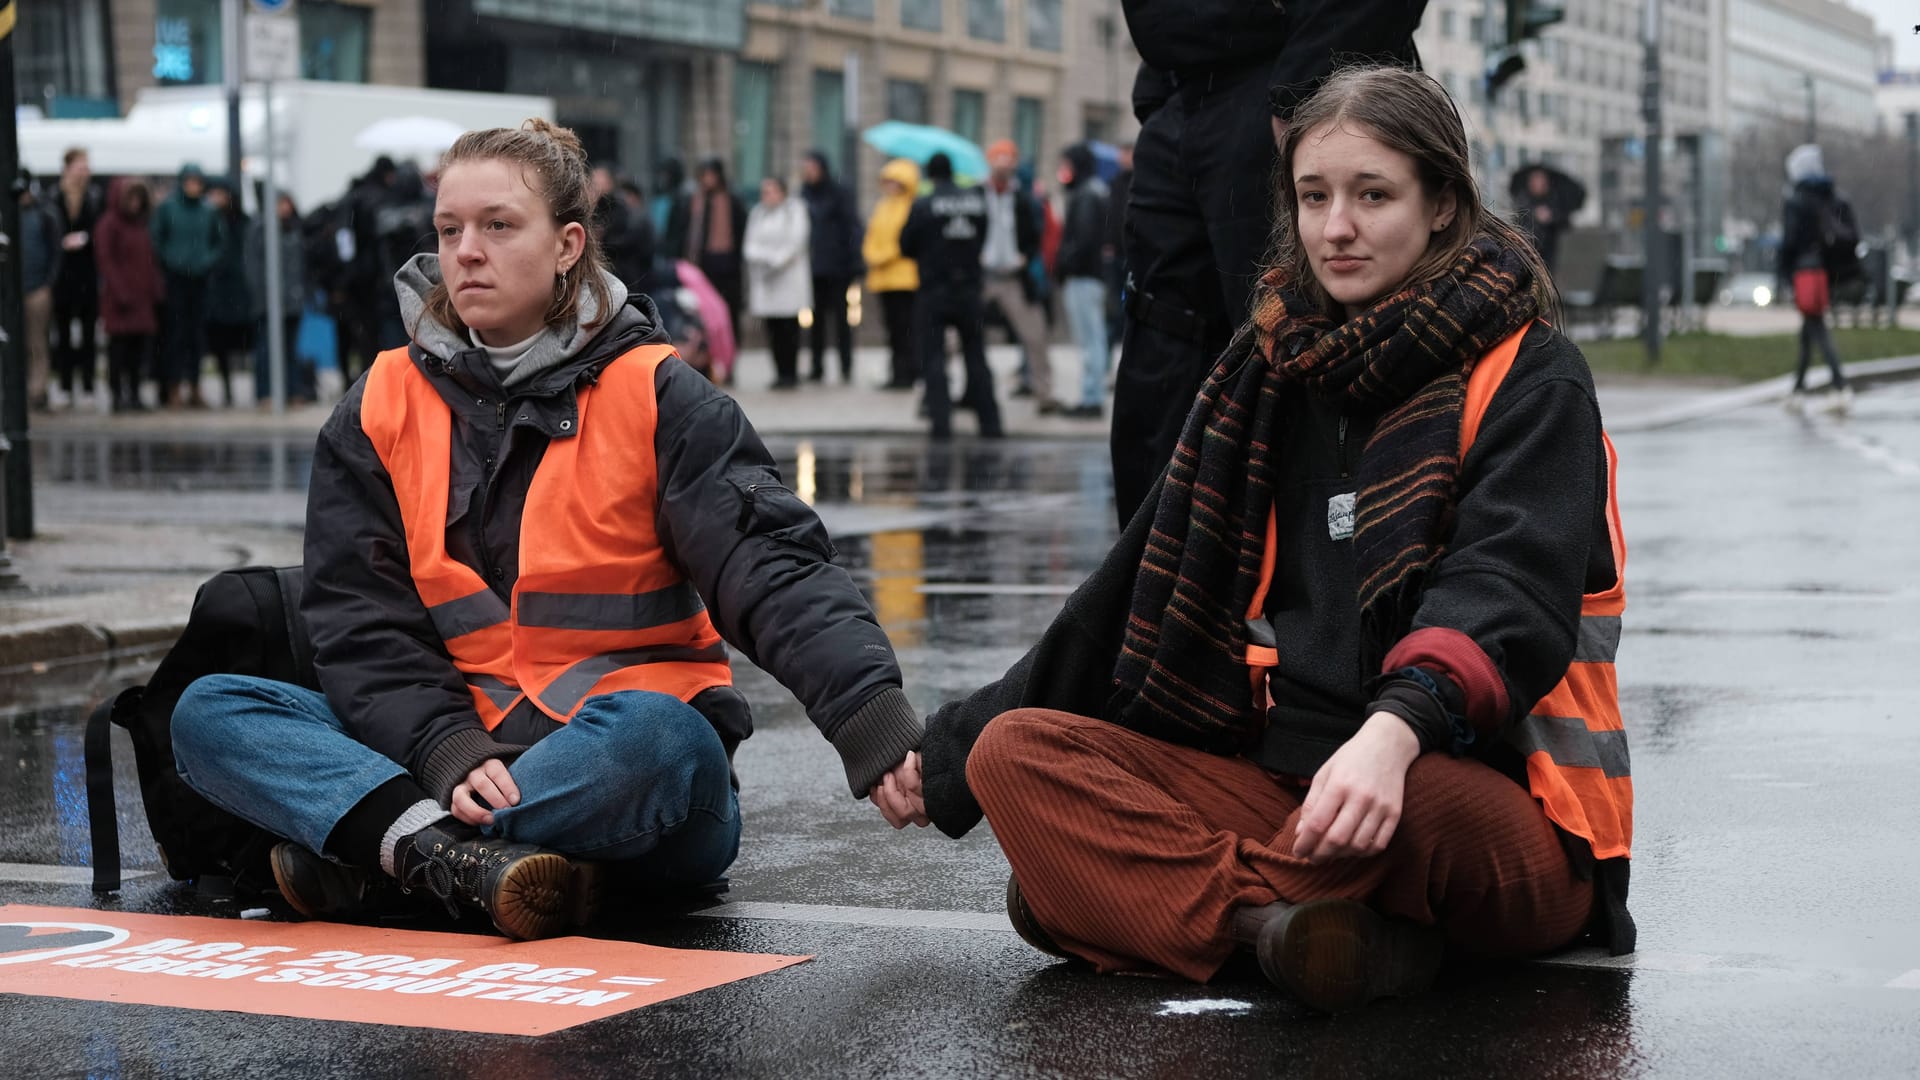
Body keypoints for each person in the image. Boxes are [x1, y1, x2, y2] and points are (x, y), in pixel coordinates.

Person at [899, 67, 1634, 1015]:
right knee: (1018, 756)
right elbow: (1122, 602)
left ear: (1443, 203)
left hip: (1485, 798)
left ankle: (1139, 901)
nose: (1337, 228)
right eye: (1314, 196)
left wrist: (1394, 733)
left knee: (1400, 817)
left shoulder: (1532, 375)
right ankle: (1282, 932)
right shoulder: (1266, 368)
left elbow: (1506, 595)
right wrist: (947, 755)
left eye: (1373, 196)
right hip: (1289, 790)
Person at [170, 119, 923, 942]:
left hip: (617, 765)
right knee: (210, 710)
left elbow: (774, 568)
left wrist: (869, 721)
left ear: (568, 245)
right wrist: (446, 747)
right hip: (450, 758)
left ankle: (393, 852)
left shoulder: (661, 394)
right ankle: (487, 865)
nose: (465, 252)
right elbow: (361, 621)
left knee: (659, 737)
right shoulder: (379, 402)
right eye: (449, 229)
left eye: (498, 225)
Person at [1108, 1, 1429, 527]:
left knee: (1305, 346)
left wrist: (1303, 95)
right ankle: (1161, 591)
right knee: (1165, 351)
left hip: (1295, 83)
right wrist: (1159, 93)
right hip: (1184, 86)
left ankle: (1325, 589)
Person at [900, 153, 1002, 440]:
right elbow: (982, 235)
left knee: (933, 359)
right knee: (976, 356)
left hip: (934, 289)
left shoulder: (924, 204)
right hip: (969, 288)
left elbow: (906, 244)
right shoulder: (975, 201)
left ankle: (941, 426)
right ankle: (991, 424)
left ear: (931, 175)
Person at [1778, 143, 1855, 415]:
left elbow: (1788, 242)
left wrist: (1783, 276)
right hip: (1826, 272)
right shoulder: (1830, 195)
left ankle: (1840, 386)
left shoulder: (1796, 199)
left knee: (1817, 329)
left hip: (1805, 272)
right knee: (1808, 331)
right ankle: (1797, 390)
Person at [979, 140, 1054, 412]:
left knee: (1035, 335)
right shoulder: (978, 194)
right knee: (959, 334)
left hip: (1014, 276)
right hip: (983, 274)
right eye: (998, 157)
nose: (1002, 163)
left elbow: (1036, 232)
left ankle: (1043, 392)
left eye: (1007, 158)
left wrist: (1025, 257)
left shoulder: (1023, 198)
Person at [151, 163, 226, 409]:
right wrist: (172, 261)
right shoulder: (168, 208)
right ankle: (173, 386)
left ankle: (194, 386)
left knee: (196, 336)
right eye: (190, 181)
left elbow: (219, 241)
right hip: (175, 279)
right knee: (175, 335)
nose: (194, 186)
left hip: (200, 279)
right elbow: (157, 240)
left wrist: (206, 261)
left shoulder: (208, 210)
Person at [95, 179, 165, 413]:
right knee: (119, 350)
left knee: (138, 352)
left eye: (138, 199)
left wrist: (155, 288)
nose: (135, 204)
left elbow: (149, 261)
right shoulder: (109, 225)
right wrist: (121, 291)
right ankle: (117, 394)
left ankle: (134, 393)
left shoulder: (141, 226)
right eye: (131, 199)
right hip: (120, 301)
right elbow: (106, 261)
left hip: (141, 299)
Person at [1056, 144, 1112, 419]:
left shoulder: (1086, 195)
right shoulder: (1091, 191)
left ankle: (1092, 397)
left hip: (1084, 277)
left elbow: (1082, 240)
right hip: (1089, 276)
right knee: (1093, 338)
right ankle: (1090, 394)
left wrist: (1064, 265)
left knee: (1090, 339)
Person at [743, 176, 813, 390]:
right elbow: (750, 245)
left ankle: (790, 373)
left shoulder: (795, 211)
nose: (768, 196)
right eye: (765, 192)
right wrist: (765, 258)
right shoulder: (758, 214)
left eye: (772, 191)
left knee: (789, 329)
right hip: (766, 281)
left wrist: (774, 259)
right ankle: (779, 372)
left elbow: (795, 242)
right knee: (772, 329)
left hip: (788, 279)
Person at [799, 151, 862, 384]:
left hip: (837, 267)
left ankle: (846, 364)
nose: (808, 171)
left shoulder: (839, 193)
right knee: (815, 321)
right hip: (813, 268)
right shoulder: (804, 194)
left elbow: (852, 227)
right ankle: (817, 366)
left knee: (841, 319)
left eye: (812, 166)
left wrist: (855, 261)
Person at [247, 191, 314, 406]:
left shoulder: (295, 229)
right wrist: (262, 296)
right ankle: (265, 393)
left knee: (290, 350)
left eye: (287, 203)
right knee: (266, 349)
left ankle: (292, 391)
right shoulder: (260, 229)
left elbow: (302, 267)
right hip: (269, 302)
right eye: (280, 203)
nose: (284, 208)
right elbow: (253, 266)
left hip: (292, 300)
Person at [49, 148, 104, 408]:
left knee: (88, 335)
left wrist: (86, 238)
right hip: (62, 275)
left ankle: (89, 386)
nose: (85, 171)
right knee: (63, 334)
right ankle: (65, 385)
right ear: (68, 167)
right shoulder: (54, 197)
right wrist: (61, 243)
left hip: (87, 275)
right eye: (80, 166)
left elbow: (100, 232)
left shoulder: (94, 197)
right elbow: (49, 232)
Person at [863, 158, 922, 390]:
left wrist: (882, 256)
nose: (890, 186)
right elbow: (872, 236)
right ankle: (898, 372)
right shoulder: (882, 206)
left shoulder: (911, 208)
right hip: (884, 279)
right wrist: (871, 254)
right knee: (892, 330)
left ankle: (907, 373)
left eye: (895, 182)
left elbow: (905, 242)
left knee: (905, 329)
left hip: (905, 279)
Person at [687, 158, 748, 354]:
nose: (707, 180)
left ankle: (730, 356)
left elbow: (742, 231)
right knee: (707, 313)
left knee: (731, 312)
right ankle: (711, 356)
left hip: (730, 263)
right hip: (706, 263)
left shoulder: (733, 200)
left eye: (711, 175)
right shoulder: (698, 200)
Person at [204, 180, 255, 407]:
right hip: (219, 292)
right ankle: (227, 390)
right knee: (220, 344)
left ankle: (258, 390)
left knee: (248, 342)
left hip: (242, 291)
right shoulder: (209, 222)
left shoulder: (244, 223)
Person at [14, 169, 58, 411]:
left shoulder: (43, 214)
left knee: (36, 343)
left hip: (37, 288)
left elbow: (54, 253)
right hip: (12, 291)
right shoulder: (10, 214)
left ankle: (36, 391)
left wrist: (47, 283)